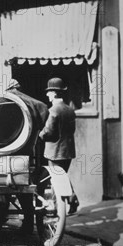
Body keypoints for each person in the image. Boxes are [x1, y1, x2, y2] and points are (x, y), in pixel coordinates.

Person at [0, 79, 50, 239]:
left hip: (4, 153)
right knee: (24, 188)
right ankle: (27, 225)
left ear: (7, 89)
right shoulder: (36, 104)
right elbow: (44, 113)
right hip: (27, 154)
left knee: (2, 189)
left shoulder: (0, 102)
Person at [39, 77, 79, 215]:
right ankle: (72, 199)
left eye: (49, 92)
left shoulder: (53, 110)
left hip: (54, 151)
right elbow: (72, 130)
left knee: (56, 180)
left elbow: (48, 132)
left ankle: (58, 209)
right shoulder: (70, 110)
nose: (47, 95)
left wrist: (40, 135)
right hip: (68, 150)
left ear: (54, 93)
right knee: (63, 176)